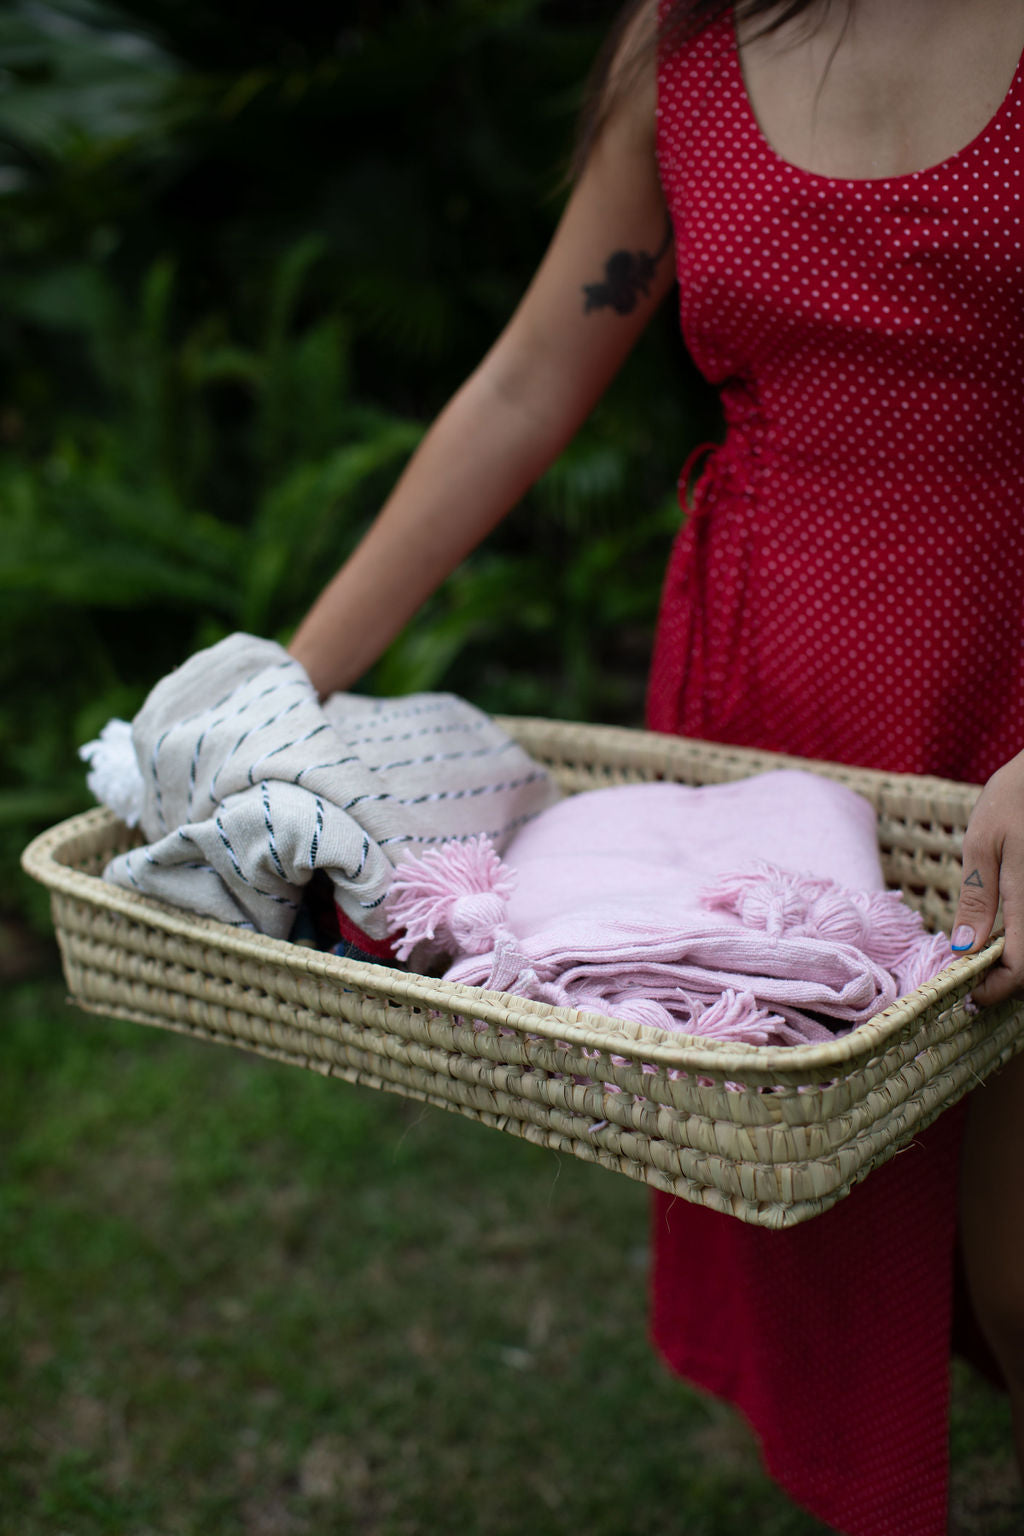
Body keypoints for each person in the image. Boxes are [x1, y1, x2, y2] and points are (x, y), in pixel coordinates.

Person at [289, 1, 1024, 1529]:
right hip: (770, 742)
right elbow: (522, 385)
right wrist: (279, 693)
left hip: (1009, 712)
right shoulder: (684, 47)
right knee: (854, 1189)